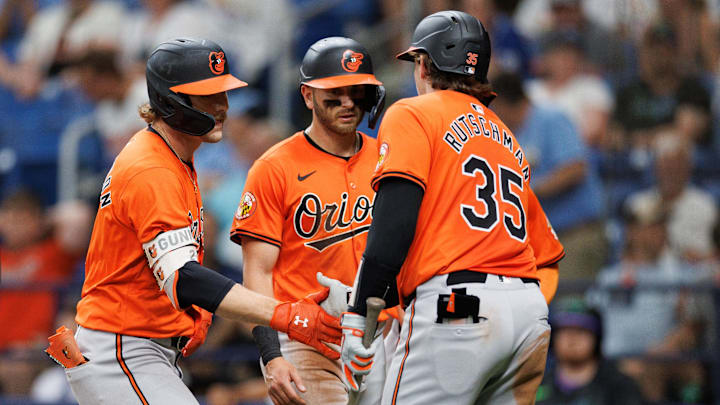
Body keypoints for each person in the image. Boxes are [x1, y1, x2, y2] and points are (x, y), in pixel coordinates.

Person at [57, 38, 342, 405]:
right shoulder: (152, 166)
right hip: (123, 351)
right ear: (170, 100)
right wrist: (286, 315)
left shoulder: (174, 155)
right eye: (207, 96)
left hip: (138, 350)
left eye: (223, 93)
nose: (222, 107)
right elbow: (183, 277)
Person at [340, 11, 565, 405]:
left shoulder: (414, 112)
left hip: (457, 309)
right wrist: (516, 305)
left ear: (424, 64)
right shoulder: (506, 138)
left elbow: (392, 227)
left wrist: (359, 314)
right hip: (528, 313)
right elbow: (547, 256)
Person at [229, 36, 387, 405]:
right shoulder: (275, 167)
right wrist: (272, 355)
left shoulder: (388, 156)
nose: (348, 102)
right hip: (308, 337)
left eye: (357, 90)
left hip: (385, 331)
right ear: (307, 96)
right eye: (335, 91)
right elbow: (258, 274)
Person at [492, 72, 605, 281]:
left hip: (575, 234)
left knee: (568, 309)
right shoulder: (508, 133)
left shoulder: (550, 120)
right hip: (537, 242)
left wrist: (530, 191)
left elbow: (576, 168)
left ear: (504, 103)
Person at [535, 298, 644, 405]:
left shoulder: (620, 388)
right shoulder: (536, 385)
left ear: (596, 338)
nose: (572, 339)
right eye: (564, 331)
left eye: (581, 331)